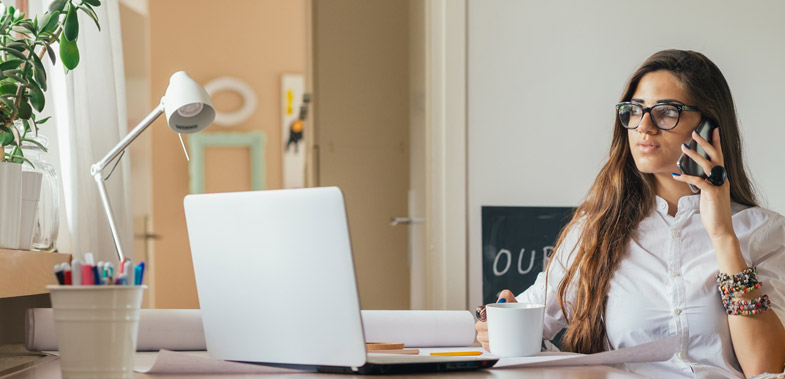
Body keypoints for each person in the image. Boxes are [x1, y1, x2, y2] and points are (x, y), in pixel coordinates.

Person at [474, 50, 785, 378]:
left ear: (709, 128)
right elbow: (526, 317)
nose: (644, 127)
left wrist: (723, 236)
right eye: (634, 111)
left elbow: (763, 368)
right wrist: (494, 324)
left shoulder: (765, 231)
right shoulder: (598, 229)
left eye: (666, 112)